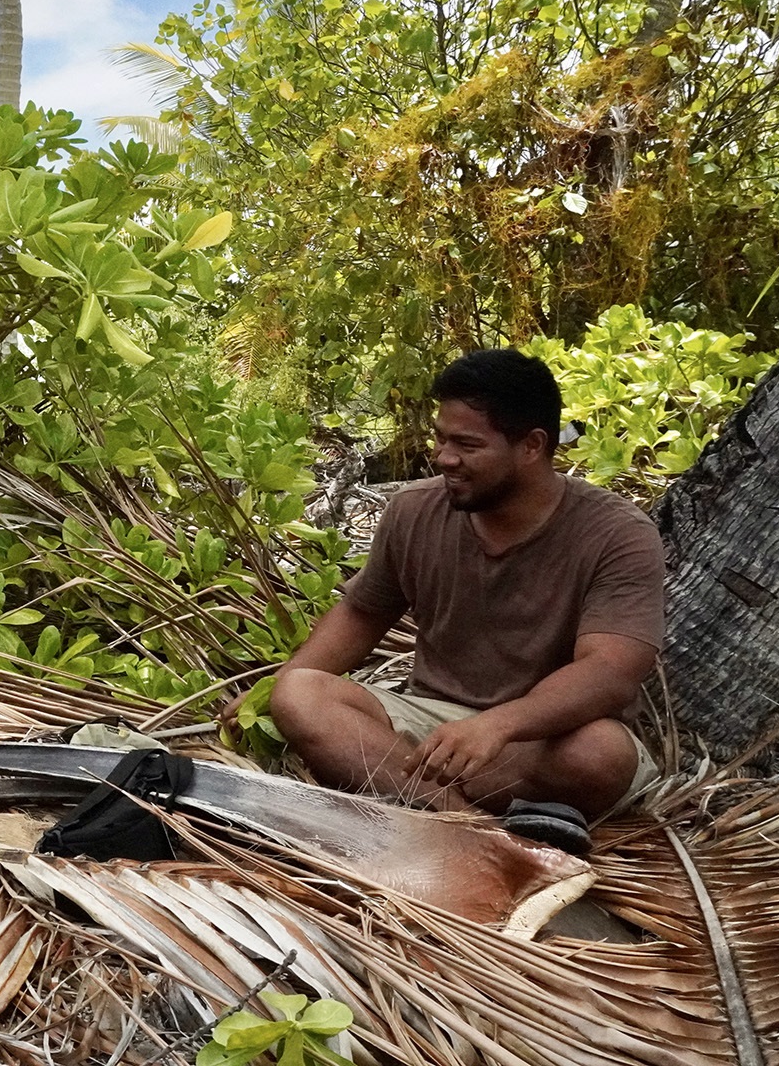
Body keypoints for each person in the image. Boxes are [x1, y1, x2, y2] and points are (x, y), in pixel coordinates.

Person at [244, 350, 665, 853]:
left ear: (531, 446)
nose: (444, 457)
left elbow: (610, 673)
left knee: (599, 754)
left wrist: (496, 725)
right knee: (298, 694)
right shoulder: (414, 510)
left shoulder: (618, 533)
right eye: (441, 439)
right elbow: (362, 613)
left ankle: (412, 797)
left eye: (467, 444)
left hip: (539, 740)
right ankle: (474, 829)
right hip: (427, 730)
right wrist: (268, 692)